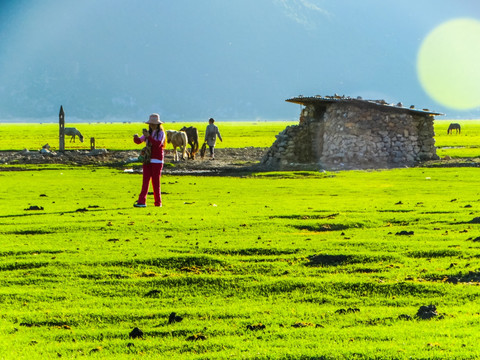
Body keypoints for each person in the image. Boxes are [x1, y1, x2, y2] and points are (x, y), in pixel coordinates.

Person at [133, 113, 165, 207]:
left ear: (157, 124)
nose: (151, 125)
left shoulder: (161, 133)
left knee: (156, 183)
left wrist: (148, 137)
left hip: (157, 161)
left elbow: (158, 144)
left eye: (153, 123)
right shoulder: (148, 133)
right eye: (150, 123)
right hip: (148, 160)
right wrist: (136, 138)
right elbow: (139, 141)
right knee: (145, 181)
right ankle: (142, 201)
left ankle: (158, 203)